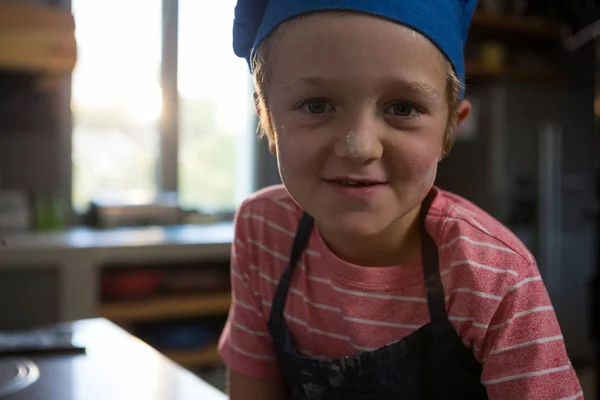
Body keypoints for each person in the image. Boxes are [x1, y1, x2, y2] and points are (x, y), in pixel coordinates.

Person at [218, 0, 583, 398]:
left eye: (402, 108)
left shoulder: (495, 278)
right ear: (267, 119)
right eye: (317, 105)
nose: (359, 147)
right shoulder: (262, 230)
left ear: (449, 130)